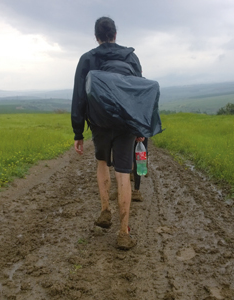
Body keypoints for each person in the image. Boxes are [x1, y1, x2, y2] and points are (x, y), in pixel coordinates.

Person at [71, 16, 143, 250]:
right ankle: (123, 232)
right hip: (125, 123)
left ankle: (105, 210)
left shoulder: (88, 58)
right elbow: (138, 93)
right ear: (115, 35)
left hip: (100, 122)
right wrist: (141, 127)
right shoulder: (131, 57)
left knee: (102, 162)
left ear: (97, 37)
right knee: (124, 172)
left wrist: (78, 132)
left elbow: (79, 97)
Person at [131, 137, 148, 202]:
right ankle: (136, 190)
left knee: (128, 155)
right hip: (141, 130)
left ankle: (124, 187)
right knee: (138, 158)